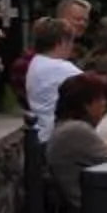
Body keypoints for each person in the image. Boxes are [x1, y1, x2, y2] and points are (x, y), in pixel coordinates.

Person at [43, 73, 107, 213]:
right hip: (89, 212)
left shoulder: (65, 128)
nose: (105, 104)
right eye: (101, 99)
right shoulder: (76, 131)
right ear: (87, 105)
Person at [23, 14, 82, 144]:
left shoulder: (36, 62)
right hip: (55, 135)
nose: (72, 47)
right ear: (61, 42)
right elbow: (92, 86)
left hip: (41, 132)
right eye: (70, 42)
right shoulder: (61, 68)